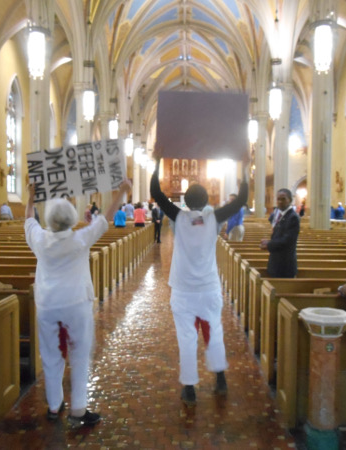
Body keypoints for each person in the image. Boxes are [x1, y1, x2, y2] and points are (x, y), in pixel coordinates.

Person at [24, 179, 132, 429]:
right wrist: (121, 192)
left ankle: (54, 406)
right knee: (80, 355)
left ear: (49, 220)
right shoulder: (80, 239)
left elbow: (29, 220)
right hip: (76, 304)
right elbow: (105, 219)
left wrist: (31, 198)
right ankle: (78, 409)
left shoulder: (40, 240)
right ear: (72, 219)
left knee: (51, 356)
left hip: (48, 304)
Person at [150, 143, 248, 407]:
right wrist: (245, 169)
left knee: (186, 337)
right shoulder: (214, 218)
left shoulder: (178, 218)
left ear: (186, 201)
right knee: (213, 332)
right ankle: (220, 378)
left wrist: (158, 160)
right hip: (208, 287)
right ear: (206, 201)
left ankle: (190, 388)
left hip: (183, 288)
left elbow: (156, 194)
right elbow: (239, 201)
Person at [260, 189, 300, 278]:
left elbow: (287, 240)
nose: (280, 202)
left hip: (285, 264)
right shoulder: (279, 214)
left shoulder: (292, 217)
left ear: (290, 200)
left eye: (283, 199)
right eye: (278, 199)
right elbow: (278, 234)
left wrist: (269, 244)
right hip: (276, 262)